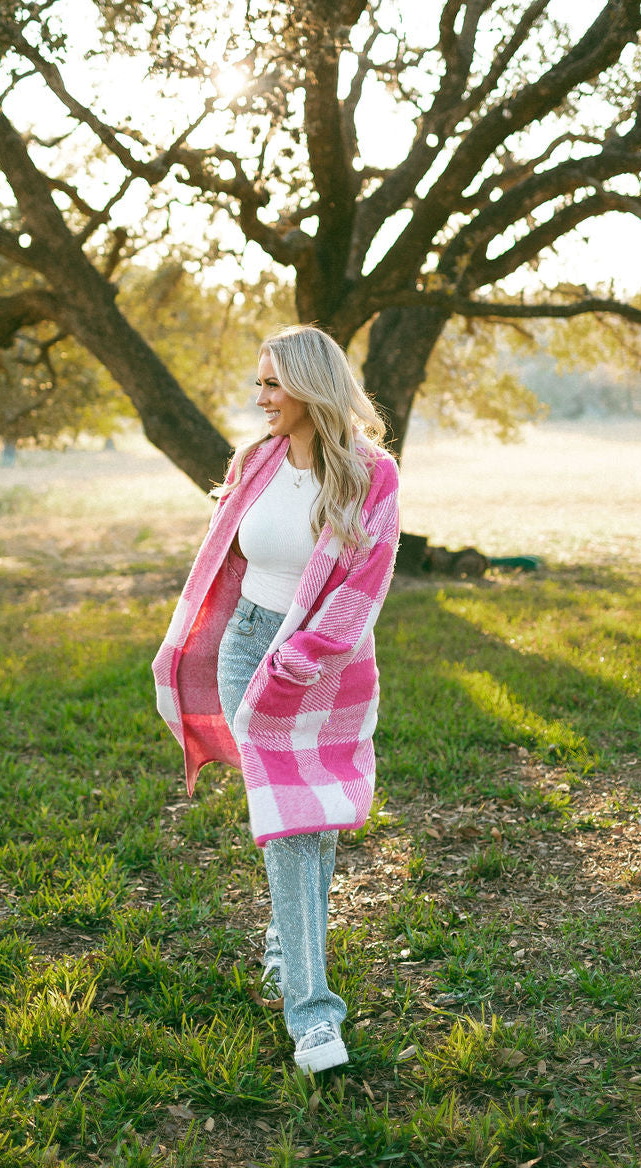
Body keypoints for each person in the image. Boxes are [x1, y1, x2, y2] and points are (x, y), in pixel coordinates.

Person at [152, 325, 400, 1075]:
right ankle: (313, 1015)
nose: (259, 398)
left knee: (315, 825)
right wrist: (249, 647)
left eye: (272, 385)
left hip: (326, 666)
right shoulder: (254, 460)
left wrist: (299, 659)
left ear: (309, 388)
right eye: (258, 383)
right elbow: (227, 553)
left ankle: (279, 948)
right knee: (290, 825)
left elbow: (365, 584)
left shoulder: (370, 473)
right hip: (246, 652)